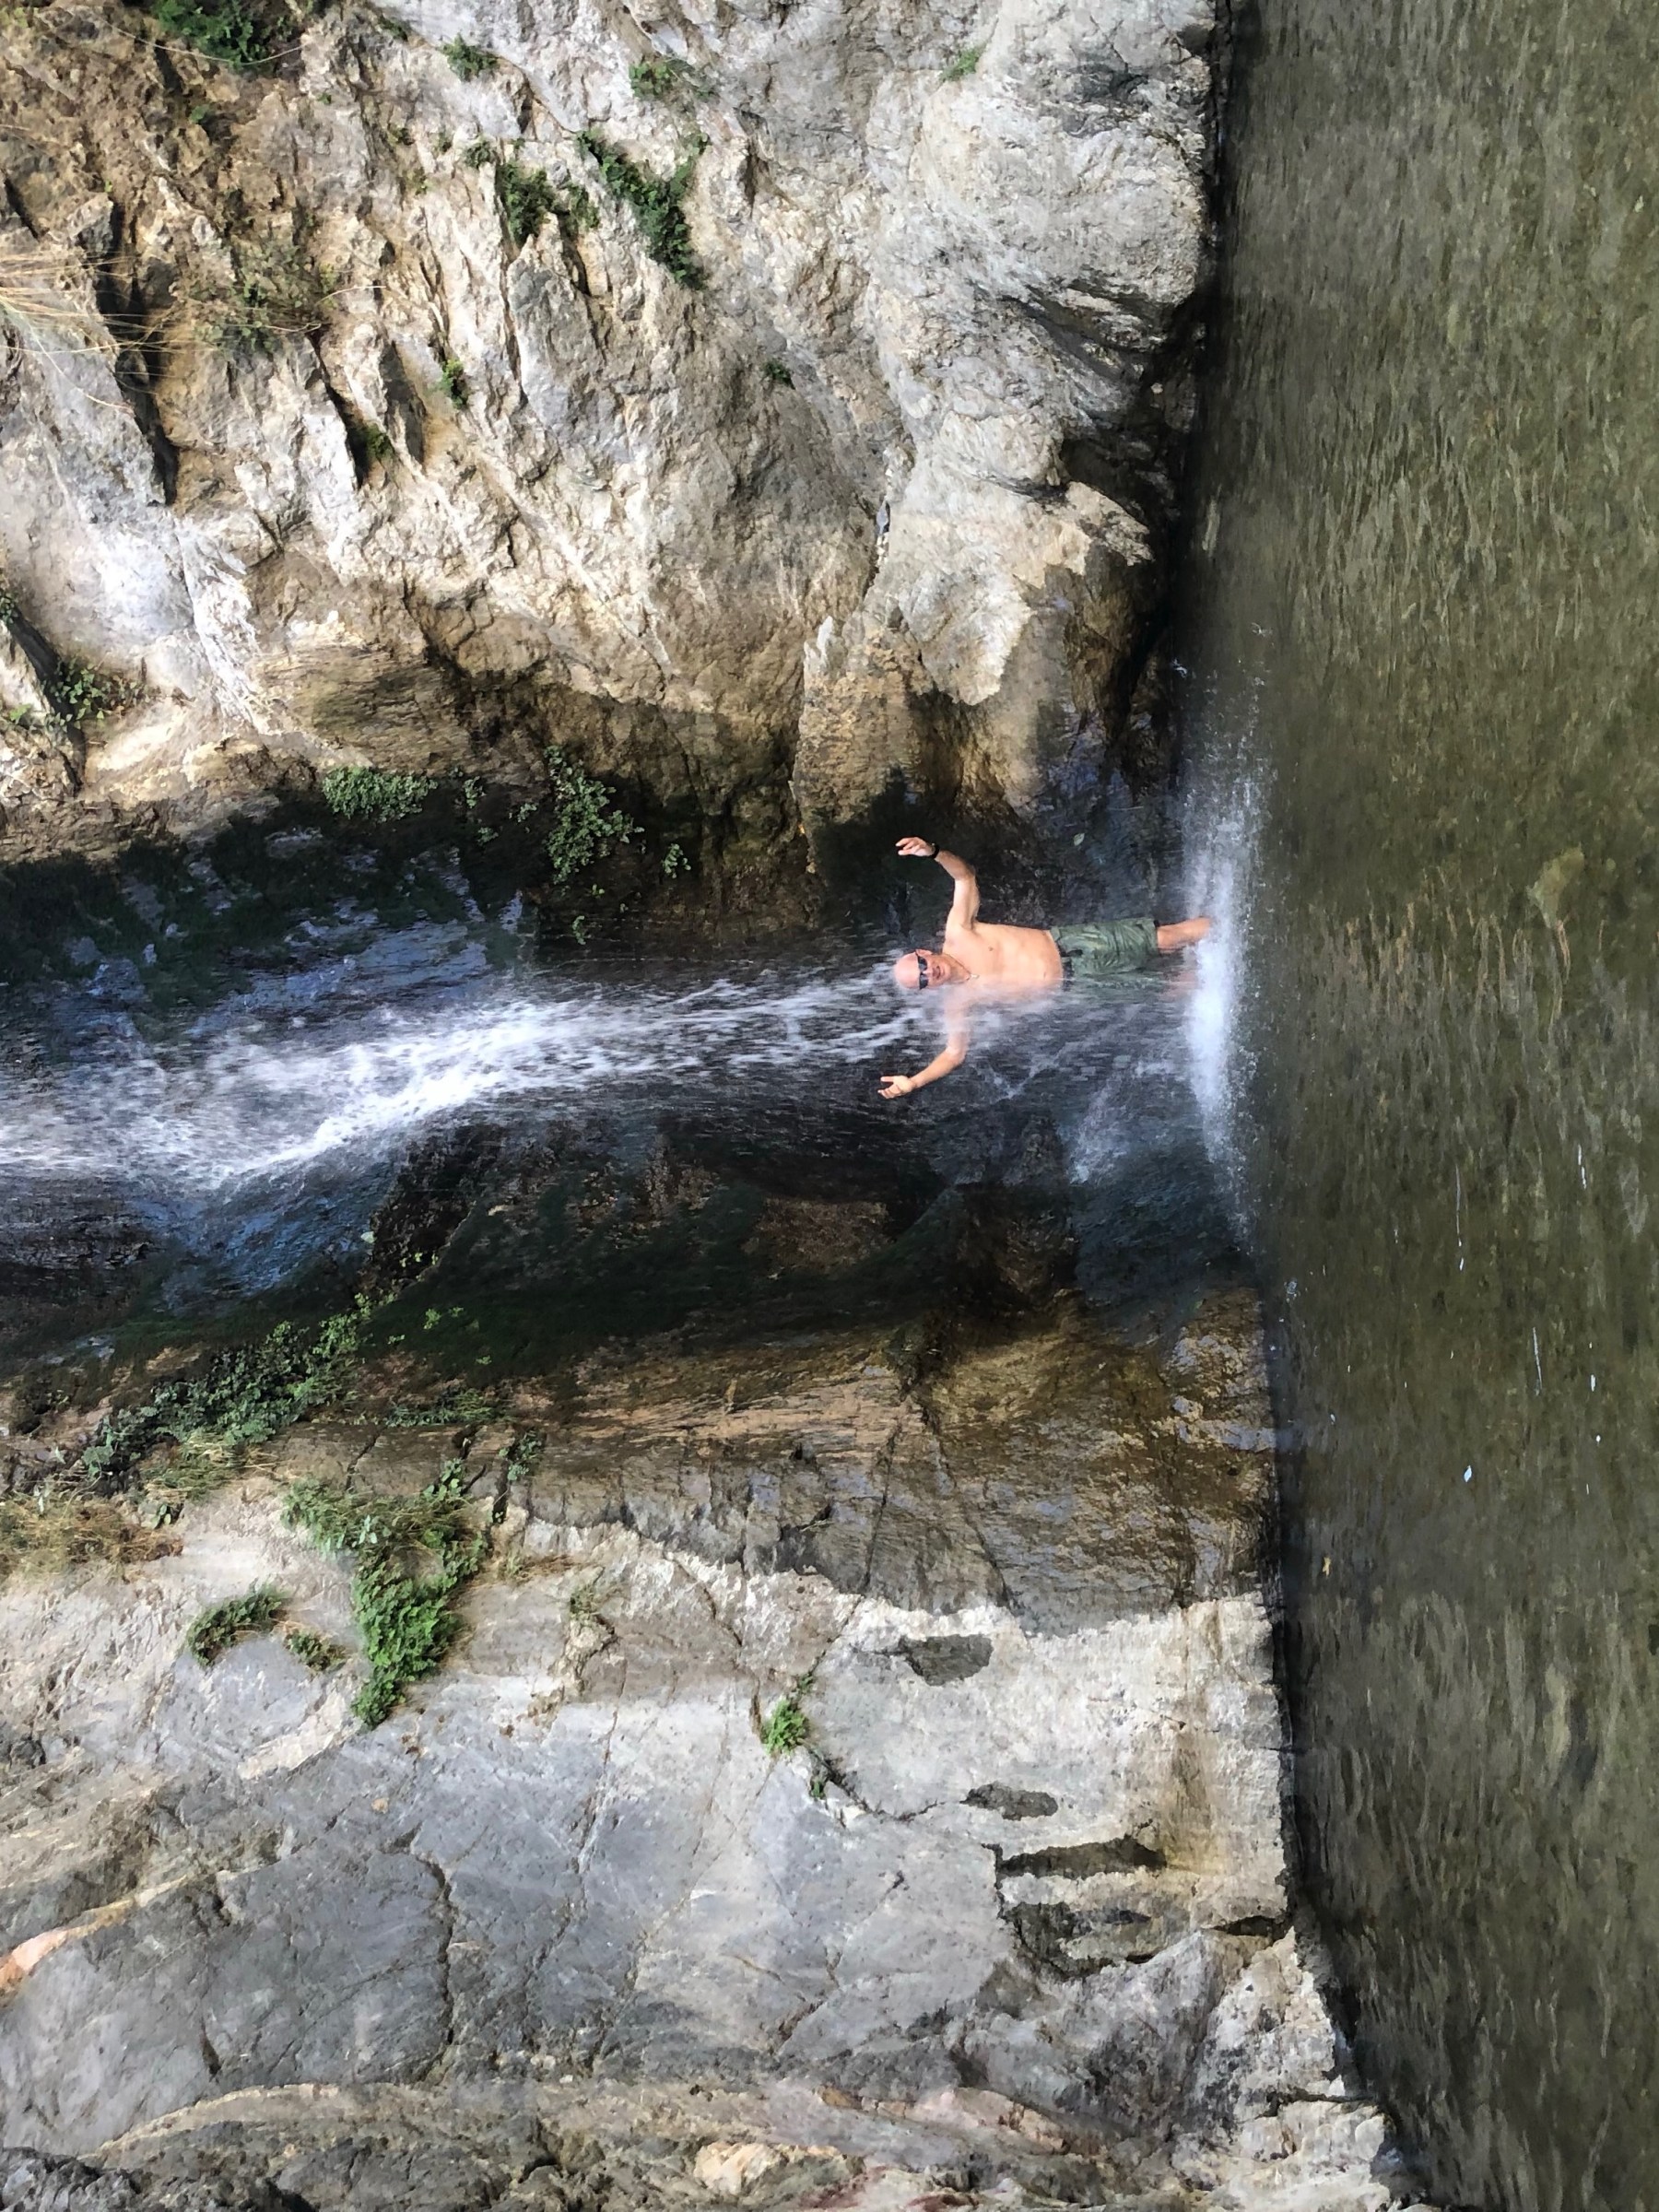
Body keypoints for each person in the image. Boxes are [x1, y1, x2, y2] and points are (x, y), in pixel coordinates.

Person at [879, 836, 1211, 1098]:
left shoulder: (959, 932)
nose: (928, 972)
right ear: (927, 990)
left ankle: (1240, 927)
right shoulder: (958, 1003)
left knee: (1166, 939)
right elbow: (954, 1054)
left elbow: (964, 877)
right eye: (922, 980)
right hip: (1078, 988)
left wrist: (934, 852)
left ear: (924, 951)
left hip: (1073, 945)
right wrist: (914, 1082)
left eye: (922, 964)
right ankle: (1234, 983)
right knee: (1166, 988)